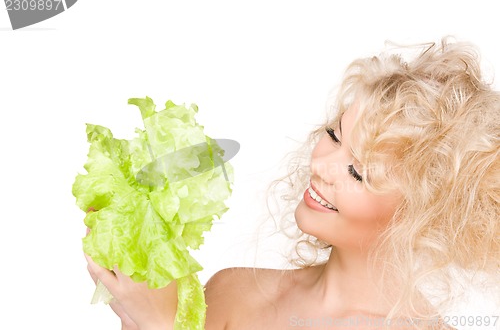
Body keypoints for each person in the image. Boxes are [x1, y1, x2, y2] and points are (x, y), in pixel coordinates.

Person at [85, 37, 499, 330]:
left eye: (359, 172)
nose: (323, 166)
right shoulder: (234, 291)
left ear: (422, 214)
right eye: (335, 136)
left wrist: (159, 323)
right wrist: (138, 297)